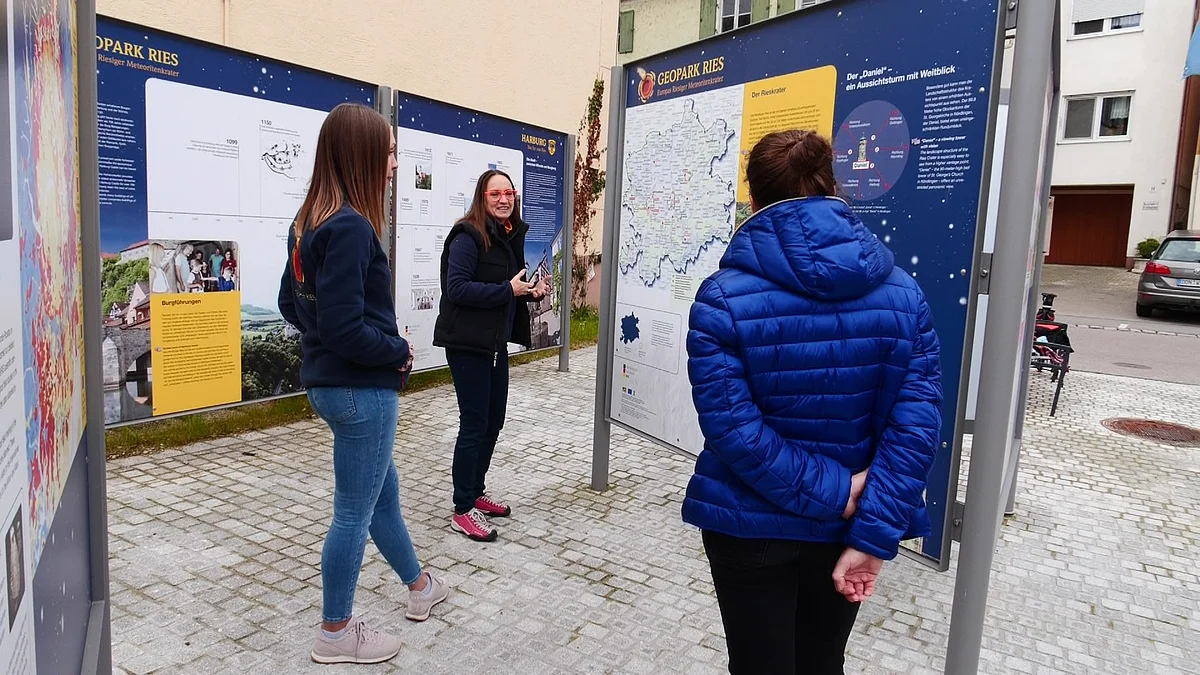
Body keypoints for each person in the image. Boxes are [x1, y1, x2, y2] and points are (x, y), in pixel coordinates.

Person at [683, 129, 943, 675]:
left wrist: (834, 495)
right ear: (832, 187)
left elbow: (733, 433)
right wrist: (872, 532)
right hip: (845, 529)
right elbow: (915, 425)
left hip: (748, 522)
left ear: (754, 198)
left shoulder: (721, 298)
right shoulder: (905, 294)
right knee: (823, 664)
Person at [277, 102, 449, 666]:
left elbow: (290, 305)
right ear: (364, 155)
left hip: (332, 385)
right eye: (391, 152)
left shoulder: (308, 222)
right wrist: (397, 350)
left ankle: (420, 588)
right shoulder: (350, 226)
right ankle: (336, 632)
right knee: (354, 510)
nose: (395, 164)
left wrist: (330, 341)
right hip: (361, 390)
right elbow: (346, 327)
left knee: (382, 496)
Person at [432, 170, 549, 542]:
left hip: (494, 344)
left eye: (509, 192)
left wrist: (528, 292)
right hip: (467, 344)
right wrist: (506, 289)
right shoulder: (468, 236)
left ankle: (476, 490)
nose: (504, 199)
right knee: (474, 424)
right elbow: (457, 288)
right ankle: (463, 508)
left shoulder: (506, 235)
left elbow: (507, 287)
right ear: (482, 197)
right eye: (495, 193)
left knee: (493, 421)